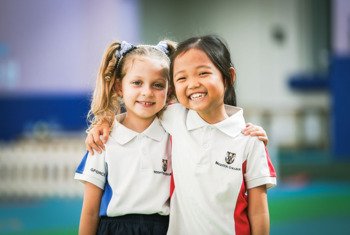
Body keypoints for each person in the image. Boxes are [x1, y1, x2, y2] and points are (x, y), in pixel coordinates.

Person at [85, 35, 276, 235]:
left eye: (203, 73)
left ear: (228, 77)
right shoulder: (174, 118)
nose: (192, 84)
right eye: (182, 78)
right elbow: (139, 110)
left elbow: (258, 213)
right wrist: (104, 122)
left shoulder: (249, 140)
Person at [74, 40, 176, 235]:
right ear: (119, 87)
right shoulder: (102, 140)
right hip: (114, 229)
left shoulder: (175, 135)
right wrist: (103, 121)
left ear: (169, 90)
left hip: (164, 228)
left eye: (157, 85)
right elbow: (90, 211)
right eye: (137, 83)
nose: (147, 92)